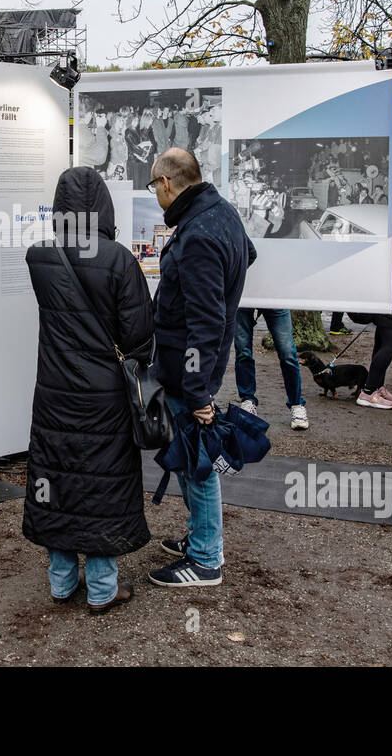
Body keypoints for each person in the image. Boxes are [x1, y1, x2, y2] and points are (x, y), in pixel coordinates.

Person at [22, 167, 153, 613]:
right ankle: (101, 588)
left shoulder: (39, 256)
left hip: (54, 394)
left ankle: (61, 583)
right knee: (103, 485)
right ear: (103, 205)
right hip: (106, 399)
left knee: (57, 481)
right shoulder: (119, 260)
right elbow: (139, 340)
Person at [145, 147, 255, 587]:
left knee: (198, 465)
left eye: (154, 186)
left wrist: (196, 392)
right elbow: (246, 256)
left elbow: (204, 323)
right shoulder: (220, 213)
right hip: (195, 367)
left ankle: (206, 558)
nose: (155, 193)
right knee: (191, 459)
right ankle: (199, 538)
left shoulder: (198, 235)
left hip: (188, 372)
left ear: (167, 184)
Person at [358, 188, 392, 409]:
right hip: (388, 296)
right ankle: (368, 392)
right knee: (391, 345)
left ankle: (376, 386)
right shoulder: (387, 233)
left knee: (383, 342)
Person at [234, 308, 308, 429]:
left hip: (275, 296)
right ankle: (247, 400)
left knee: (287, 353)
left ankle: (296, 404)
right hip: (244, 298)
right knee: (243, 352)